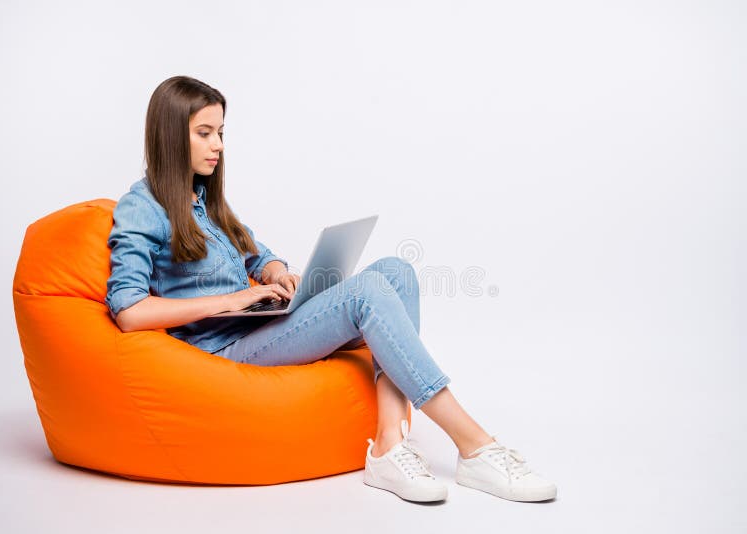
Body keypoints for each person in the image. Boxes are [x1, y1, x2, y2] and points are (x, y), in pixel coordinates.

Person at [105, 75, 557, 503]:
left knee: (397, 271)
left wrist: (277, 274)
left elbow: (256, 254)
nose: (218, 145)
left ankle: (389, 444)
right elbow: (128, 311)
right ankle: (475, 447)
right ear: (168, 135)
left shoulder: (202, 199)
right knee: (368, 293)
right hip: (223, 350)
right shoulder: (141, 208)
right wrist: (234, 299)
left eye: (221, 132)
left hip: (257, 326)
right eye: (205, 133)